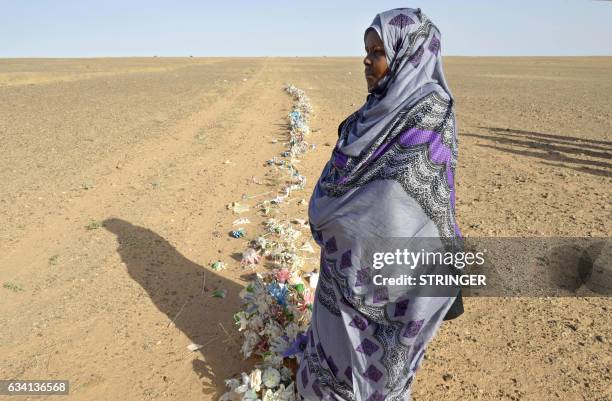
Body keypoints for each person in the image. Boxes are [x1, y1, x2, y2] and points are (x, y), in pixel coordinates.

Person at [297, 7, 463, 401]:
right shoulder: (370, 111)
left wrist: (348, 223)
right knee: (335, 350)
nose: (367, 61)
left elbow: (402, 202)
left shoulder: (431, 111)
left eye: (378, 52)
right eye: (366, 52)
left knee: (379, 370)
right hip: (343, 266)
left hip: (391, 273)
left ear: (407, 54)